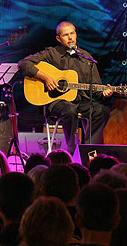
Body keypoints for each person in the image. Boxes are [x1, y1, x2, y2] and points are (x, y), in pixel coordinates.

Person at [18, 21, 112, 154]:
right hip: (57, 102)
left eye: (72, 33)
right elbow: (24, 64)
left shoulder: (86, 58)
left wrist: (104, 93)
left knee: (101, 111)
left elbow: (95, 89)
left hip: (81, 100)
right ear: (58, 38)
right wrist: (45, 77)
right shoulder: (52, 54)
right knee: (70, 110)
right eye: (66, 35)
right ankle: (72, 148)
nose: (70, 37)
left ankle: (88, 150)